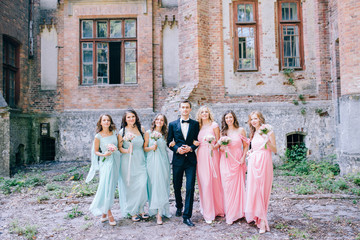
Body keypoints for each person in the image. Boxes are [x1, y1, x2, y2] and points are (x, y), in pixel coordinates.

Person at [167, 100, 200, 227]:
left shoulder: (195, 124)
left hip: (191, 160)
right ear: (179, 109)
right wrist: (177, 149)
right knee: (176, 185)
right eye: (183, 107)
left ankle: (187, 216)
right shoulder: (172, 124)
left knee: (190, 187)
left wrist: (191, 148)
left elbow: (197, 140)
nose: (185, 109)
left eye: (187, 107)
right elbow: (169, 141)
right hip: (178, 160)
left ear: (190, 109)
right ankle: (179, 206)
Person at [85, 114, 121, 226]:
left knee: (112, 187)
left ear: (110, 122)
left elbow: (119, 146)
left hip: (116, 161)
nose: (106, 122)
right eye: (104, 120)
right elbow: (95, 151)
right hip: (106, 163)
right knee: (106, 187)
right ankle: (109, 213)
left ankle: (104, 214)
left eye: (108, 120)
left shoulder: (115, 133)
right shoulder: (98, 136)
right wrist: (104, 154)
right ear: (100, 122)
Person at [245, 111, 277, 234]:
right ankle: (256, 216)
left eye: (256, 119)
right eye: (251, 119)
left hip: (264, 162)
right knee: (254, 189)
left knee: (262, 190)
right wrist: (250, 152)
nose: (253, 121)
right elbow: (254, 148)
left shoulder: (268, 131)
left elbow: (274, 149)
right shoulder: (252, 133)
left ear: (260, 119)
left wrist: (267, 139)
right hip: (254, 164)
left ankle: (263, 220)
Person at [118, 109, 149, 222]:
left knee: (142, 184)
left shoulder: (141, 129)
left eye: (133, 116)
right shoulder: (122, 132)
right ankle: (132, 210)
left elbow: (144, 145)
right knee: (130, 187)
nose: (131, 119)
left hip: (140, 160)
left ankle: (141, 208)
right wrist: (127, 151)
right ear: (125, 119)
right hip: (128, 162)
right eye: (129, 117)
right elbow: (120, 148)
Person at [195, 106, 224, 224]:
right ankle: (208, 211)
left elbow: (220, 141)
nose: (204, 114)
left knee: (215, 182)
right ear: (199, 114)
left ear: (209, 113)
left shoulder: (214, 125)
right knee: (205, 183)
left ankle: (217, 209)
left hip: (213, 154)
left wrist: (214, 146)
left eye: (206, 112)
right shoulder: (198, 126)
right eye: (202, 112)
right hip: (201, 155)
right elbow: (193, 140)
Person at [219, 110, 249, 225]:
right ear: (224, 120)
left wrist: (243, 158)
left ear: (234, 118)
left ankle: (240, 212)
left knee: (238, 186)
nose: (229, 120)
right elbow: (220, 149)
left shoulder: (241, 130)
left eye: (230, 117)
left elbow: (246, 146)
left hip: (237, 160)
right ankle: (230, 213)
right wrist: (224, 146)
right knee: (227, 187)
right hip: (225, 161)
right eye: (226, 118)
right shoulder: (223, 132)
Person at [144, 114, 171, 225]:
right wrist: (151, 147)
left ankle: (161, 211)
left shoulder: (166, 134)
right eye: (157, 119)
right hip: (152, 161)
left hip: (163, 162)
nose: (159, 121)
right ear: (154, 121)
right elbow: (145, 148)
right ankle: (155, 211)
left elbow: (169, 145)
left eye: (162, 120)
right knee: (153, 185)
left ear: (164, 122)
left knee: (162, 185)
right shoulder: (148, 133)